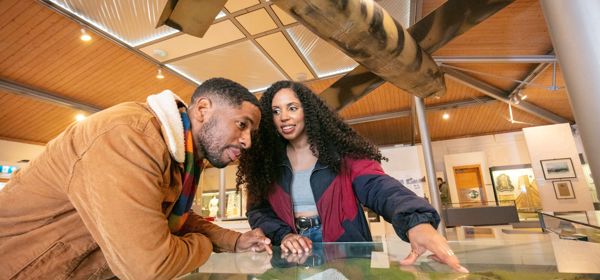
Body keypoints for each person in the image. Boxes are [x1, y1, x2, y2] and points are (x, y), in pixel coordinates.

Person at [0, 78, 272, 280]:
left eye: (252, 132)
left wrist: (234, 241)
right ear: (202, 109)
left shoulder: (182, 156)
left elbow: (171, 217)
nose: (247, 141)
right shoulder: (128, 137)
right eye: (241, 124)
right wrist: (204, 246)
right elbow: (150, 268)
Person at [237, 81, 468, 273]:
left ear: (308, 110)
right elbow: (258, 211)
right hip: (292, 250)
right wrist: (283, 234)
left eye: (292, 108)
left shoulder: (342, 154)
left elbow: (379, 186)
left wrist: (415, 222)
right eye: (276, 111)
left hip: (344, 249)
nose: (283, 117)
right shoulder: (266, 164)